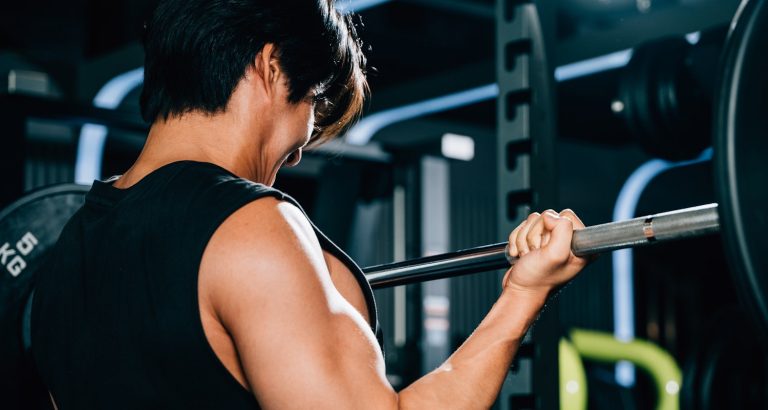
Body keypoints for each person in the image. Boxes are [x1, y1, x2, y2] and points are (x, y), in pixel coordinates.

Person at [29, 0, 589, 408]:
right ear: (270, 66)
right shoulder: (250, 227)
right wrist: (523, 296)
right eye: (314, 103)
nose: (299, 150)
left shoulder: (64, 253)